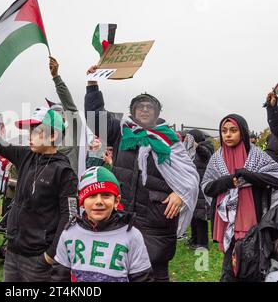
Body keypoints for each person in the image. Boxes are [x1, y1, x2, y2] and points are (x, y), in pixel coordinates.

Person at [84, 66, 199, 281]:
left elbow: (190, 176)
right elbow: (95, 118)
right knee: (121, 272)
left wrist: (180, 194)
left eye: (150, 107)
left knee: (155, 273)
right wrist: (92, 85)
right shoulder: (120, 132)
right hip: (123, 218)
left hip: (157, 221)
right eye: (140, 106)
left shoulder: (170, 140)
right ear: (132, 111)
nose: (145, 110)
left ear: (157, 113)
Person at [0, 91, 78, 282]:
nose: (31, 136)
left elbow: (70, 216)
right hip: (13, 251)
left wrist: (50, 255)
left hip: (39, 259)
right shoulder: (26, 155)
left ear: (52, 136)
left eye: (38, 132)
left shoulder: (64, 172)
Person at [201, 114, 278, 282]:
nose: (228, 135)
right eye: (224, 131)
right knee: (230, 262)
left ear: (242, 132)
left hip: (252, 219)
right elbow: (207, 187)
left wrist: (249, 175)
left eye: (233, 130)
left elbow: (275, 178)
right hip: (227, 221)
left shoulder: (257, 156)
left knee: (251, 260)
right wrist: (227, 181)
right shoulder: (216, 159)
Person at [54, 166, 153, 282]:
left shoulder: (132, 236)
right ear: (81, 202)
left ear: (116, 201)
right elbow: (59, 277)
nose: (99, 201)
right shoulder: (69, 234)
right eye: (91, 196)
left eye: (106, 195)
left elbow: (143, 278)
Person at [49, 57, 98, 174]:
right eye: (50, 115)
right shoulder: (46, 139)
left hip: (70, 188)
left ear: (65, 116)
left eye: (58, 114)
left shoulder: (74, 132)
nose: (53, 118)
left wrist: (56, 78)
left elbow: (69, 104)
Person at [183, 130, 214, 250]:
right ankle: (194, 240)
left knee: (201, 217)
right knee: (193, 216)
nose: (187, 140)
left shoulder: (207, 147)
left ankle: (203, 243)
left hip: (202, 187)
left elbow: (205, 154)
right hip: (193, 187)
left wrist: (197, 146)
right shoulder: (190, 150)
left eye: (189, 138)